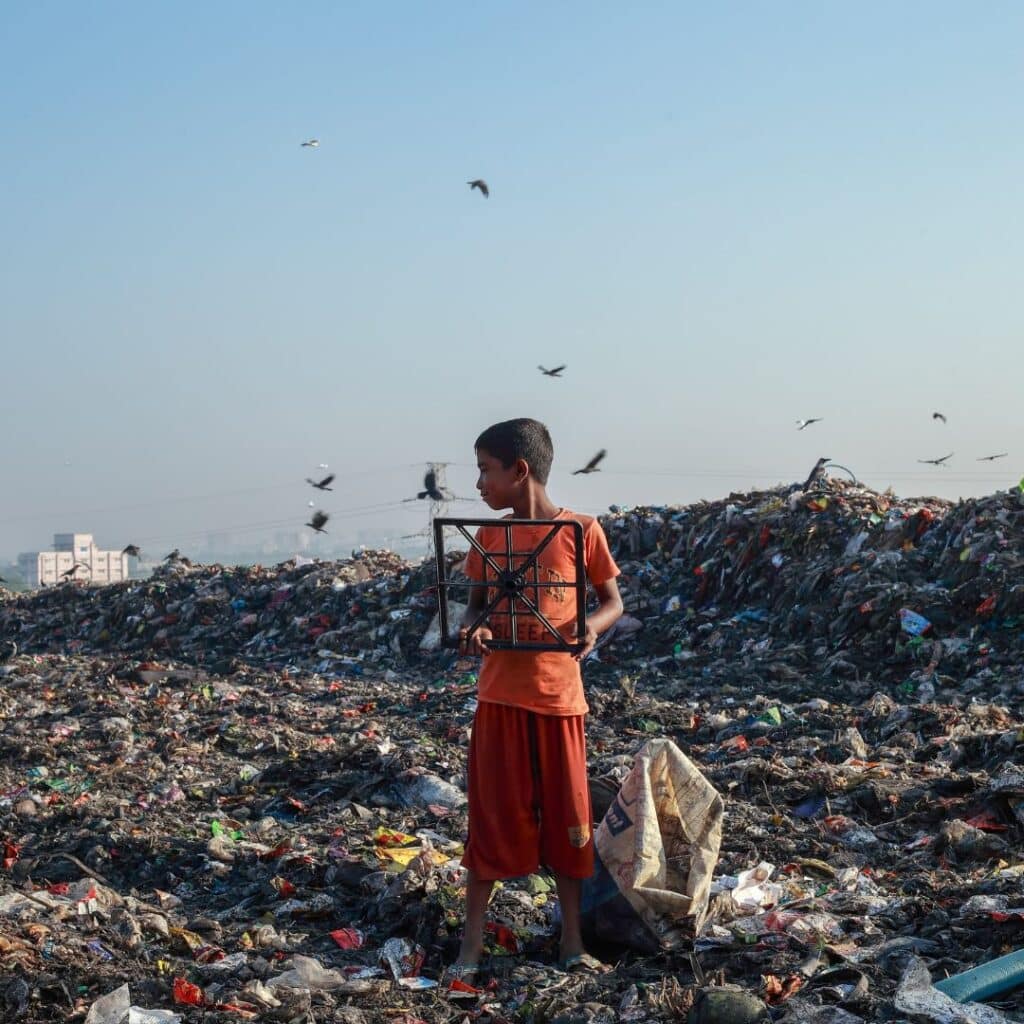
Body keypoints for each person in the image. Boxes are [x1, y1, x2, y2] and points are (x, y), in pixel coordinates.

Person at [450, 418, 623, 986]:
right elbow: (475, 607)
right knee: (492, 818)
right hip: (500, 699)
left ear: (518, 471)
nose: (478, 485)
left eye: (484, 470)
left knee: (570, 823)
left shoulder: (581, 532)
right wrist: (472, 629)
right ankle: (471, 948)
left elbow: (611, 601)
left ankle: (572, 942)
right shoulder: (489, 539)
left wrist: (593, 628)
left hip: (560, 702)